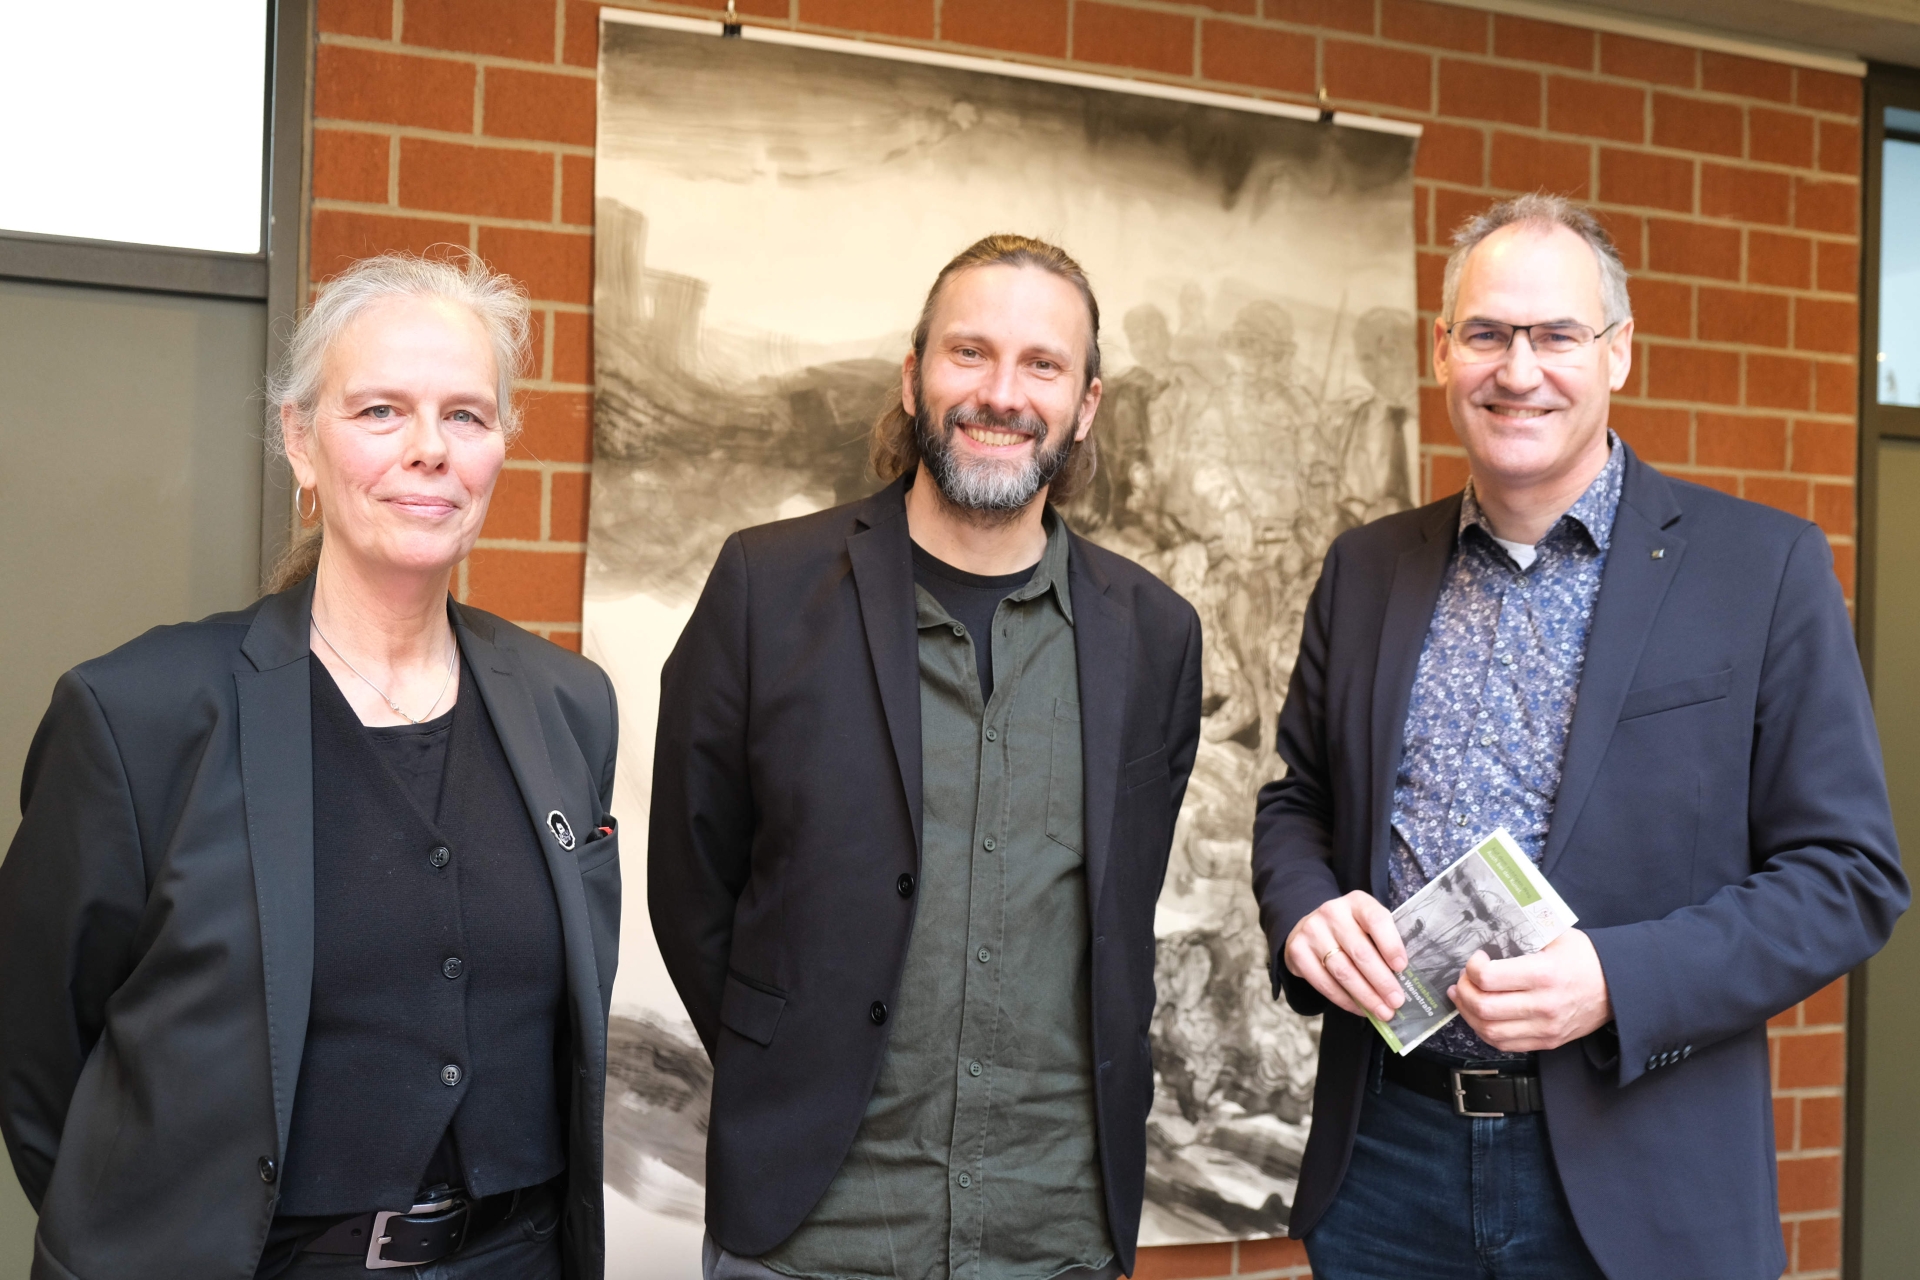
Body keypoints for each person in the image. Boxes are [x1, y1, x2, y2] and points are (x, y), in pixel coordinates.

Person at [1250, 194, 1906, 1280]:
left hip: (1640, 1166)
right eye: (1488, 334)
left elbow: (1848, 875)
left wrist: (1617, 975)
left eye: (1557, 335)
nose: (1519, 370)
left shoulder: (1761, 569)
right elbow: (1297, 803)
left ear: (1619, 354)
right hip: (1388, 1164)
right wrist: (1306, 909)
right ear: (1443, 349)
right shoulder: (1365, 570)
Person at [0, 253, 622, 1279]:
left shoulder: (568, 703)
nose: (430, 450)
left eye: (466, 415)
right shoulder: (139, 714)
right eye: (381, 410)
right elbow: (37, 1051)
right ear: (299, 440)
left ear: (503, 445)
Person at [650, 234, 1203, 1280]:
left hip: (1055, 1234)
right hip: (812, 1234)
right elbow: (693, 881)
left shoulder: (1156, 634)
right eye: (969, 353)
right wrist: (791, 1058)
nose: (1001, 393)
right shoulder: (766, 589)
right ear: (913, 379)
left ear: (1086, 404)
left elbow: (1121, 905)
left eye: (1042, 364)